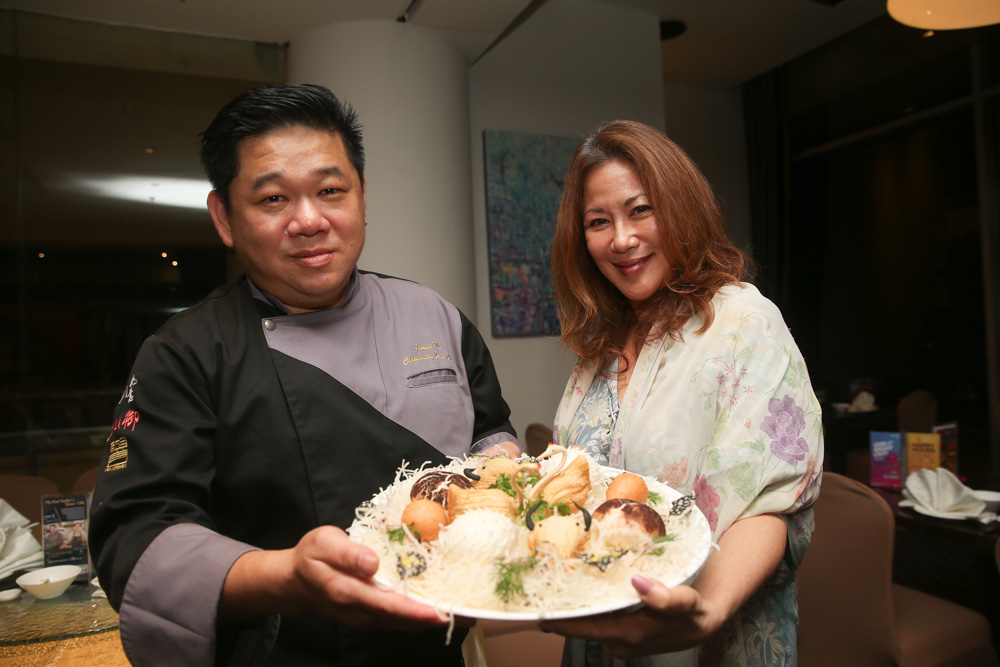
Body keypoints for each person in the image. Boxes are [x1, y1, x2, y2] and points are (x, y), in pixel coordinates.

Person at [89, 83, 520, 666]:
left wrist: (510, 477)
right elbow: (134, 539)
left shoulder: (435, 315)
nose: (310, 220)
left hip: (436, 647)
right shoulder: (185, 353)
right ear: (224, 217)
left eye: (330, 191)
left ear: (362, 196)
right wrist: (286, 574)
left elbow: (489, 432)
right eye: (273, 200)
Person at [542, 120, 823, 665]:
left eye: (640, 210)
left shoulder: (744, 323)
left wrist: (709, 608)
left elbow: (771, 503)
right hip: (600, 637)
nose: (621, 239)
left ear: (680, 207)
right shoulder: (599, 348)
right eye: (599, 222)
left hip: (712, 637)